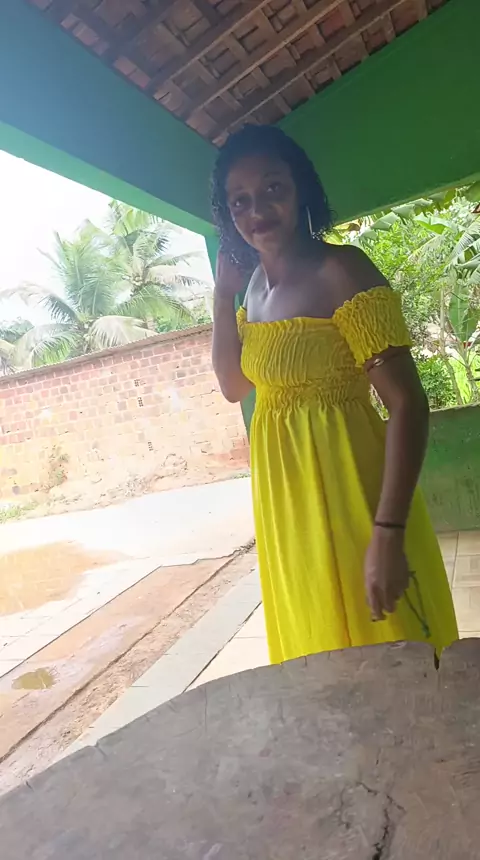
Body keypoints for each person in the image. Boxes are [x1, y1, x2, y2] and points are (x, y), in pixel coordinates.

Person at [211, 124, 458, 664]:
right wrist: (222, 296)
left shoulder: (342, 270)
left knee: (387, 648)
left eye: (273, 188)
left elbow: (407, 402)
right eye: (240, 200)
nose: (257, 210)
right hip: (289, 505)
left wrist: (388, 532)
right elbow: (233, 386)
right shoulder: (251, 291)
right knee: (318, 644)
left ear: (301, 188)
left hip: (354, 492)